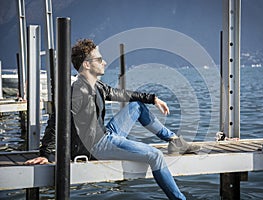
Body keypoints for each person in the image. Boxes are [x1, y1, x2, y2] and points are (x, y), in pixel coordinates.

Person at [25, 39, 199, 200]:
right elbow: (57, 120)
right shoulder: (78, 91)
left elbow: (123, 94)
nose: (105, 62)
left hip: (105, 134)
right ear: (86, 64)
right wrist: (46, 154)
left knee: (137, 106)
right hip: (96, 146)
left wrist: (152, 98)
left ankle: (173, 140)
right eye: (99, 59)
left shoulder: (96, 85)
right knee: (156, 155)